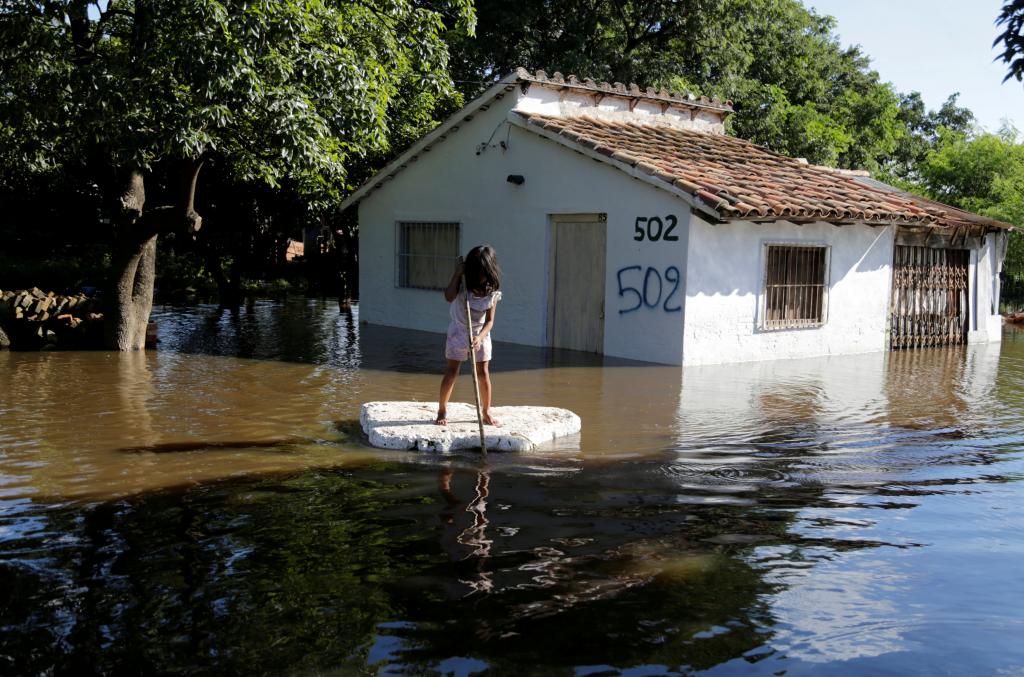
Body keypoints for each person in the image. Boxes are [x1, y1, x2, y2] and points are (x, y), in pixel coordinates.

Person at [436, 245, 502, 426]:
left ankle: (486, 411)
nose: (477, 277)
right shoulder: (463, 283)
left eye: (481, 273)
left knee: (483, 373)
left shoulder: (492, 291)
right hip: (458, 331)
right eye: (474, 272)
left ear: (488, 271)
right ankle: (442, 410)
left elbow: (490, 322)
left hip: (481, 334)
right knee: (451, 372)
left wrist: (480, 338)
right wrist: (457, 274)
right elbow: (449, 297)